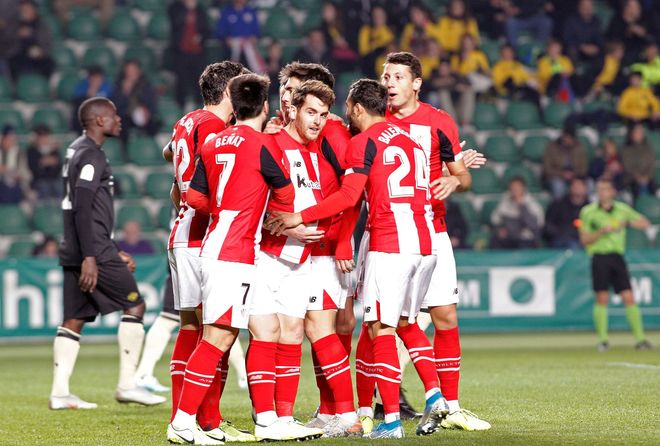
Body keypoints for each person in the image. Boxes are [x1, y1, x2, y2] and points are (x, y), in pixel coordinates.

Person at [267, 78, 443, 439]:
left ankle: (390, 420)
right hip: (426, 242)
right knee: (406, 324)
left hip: (388, 241)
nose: (340, 116)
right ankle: (435, 395)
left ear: (358, 108)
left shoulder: (361, 142)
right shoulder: (412, 139)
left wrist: (302, 219)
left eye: (343, 108)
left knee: (380, 329)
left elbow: (349, 197)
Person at [168, 73, 297, 444]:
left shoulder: (213, 142)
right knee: (217, 339)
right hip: (233, 253)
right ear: (266, 106)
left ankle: (268, 421)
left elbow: (191, 196)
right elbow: (286, 197)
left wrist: (225, 209)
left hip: (221, 245)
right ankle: (182, 423)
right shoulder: (264, 145)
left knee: (266, 328)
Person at [262, 62, 359, 437]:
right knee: (305, 329)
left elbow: (351, 194)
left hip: (321, 248)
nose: (288, 98)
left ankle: (341, 413)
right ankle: (328, 414)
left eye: (296, 92)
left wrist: (341, 239)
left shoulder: (332, 134)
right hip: (297, 246)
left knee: (312, 329)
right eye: (286, 91)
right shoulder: (285, 139)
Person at [50, 97, 165, 410]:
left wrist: (113, 248)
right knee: (136, 306)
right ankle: (128, 385)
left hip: (79, 247)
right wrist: (93, 255)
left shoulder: (76, 149)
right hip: (92, 250)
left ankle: (60, 393)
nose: (119, 120)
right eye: (114, 115)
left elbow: (83, 208)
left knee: (74, 318)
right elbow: (83, 207)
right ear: (99, 121)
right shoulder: (92, 156)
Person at [165, 61, 254, 443]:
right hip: (203, 235)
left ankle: (189, 419)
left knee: (191, 327)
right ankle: (205, 421)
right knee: (216, 331)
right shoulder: (217, 129)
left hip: (182, 230)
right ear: (227, 91)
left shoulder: (187, 121)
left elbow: (173, 162)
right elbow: (211, 185)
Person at [248, 79, 338, 440]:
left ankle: (283, 418)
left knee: (293, 334)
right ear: (293, 110)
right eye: (311, 112)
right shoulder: (270, 145)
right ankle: (265, 418)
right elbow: (253, 202)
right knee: (265, 334)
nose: (317, 120)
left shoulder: (316, 154)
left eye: (323, 114)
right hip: (266, 256)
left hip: (302, 258)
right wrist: (287, 229)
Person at [578, 177, 653, 351]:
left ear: (612, 192)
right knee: (602, 298)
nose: (602, 193)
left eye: (605, 189)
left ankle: (640, 339)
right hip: (599, 257)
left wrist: (626, 223)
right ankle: (603, 340)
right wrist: (601, 232)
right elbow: (584, 239)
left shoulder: (622, 210)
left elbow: (644, 223)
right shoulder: (588, 212)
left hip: (617, 257)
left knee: (629, 297)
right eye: (599, 189)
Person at [168, 0, 211, 108]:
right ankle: (180, 105)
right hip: (181, 51)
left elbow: (206, 30)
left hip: (197, 52)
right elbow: (175, 24)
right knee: (181, 80)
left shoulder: (201, 10)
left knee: (200, 79)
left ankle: (199, 104)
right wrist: (187, 10)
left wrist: (201, 37)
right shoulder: (176, 8)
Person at [111, 60, 159, 142]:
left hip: (143, 116)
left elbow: (152, 105)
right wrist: (125, 92)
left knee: (154, 125)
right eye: (128, 71)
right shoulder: (119, 86)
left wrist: (148, 111)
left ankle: (148, 148)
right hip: (126, 117)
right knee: (120, 126)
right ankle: (125, 151)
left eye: (133, 71)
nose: (131, 74)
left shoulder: (145, 85)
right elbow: (116, 107)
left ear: (139, 72)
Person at [490, 176, 544, 249]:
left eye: (517, 187)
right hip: (508, 237)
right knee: (494, 241)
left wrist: (522, 207)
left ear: (523, 188)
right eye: (512, 188)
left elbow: (534, 225)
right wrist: (500, 229)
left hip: (525, 238)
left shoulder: (532, 204)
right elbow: (495, 219)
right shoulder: (504, 203)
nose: (514, 190)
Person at [8, 0, 54, 79]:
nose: (25, 12)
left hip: (37, 56)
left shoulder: (41, 25)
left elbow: (46, 44)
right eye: (23, 10)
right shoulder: (14, 25)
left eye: (27, 9)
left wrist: (40, 51)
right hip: (18, 56)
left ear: (34, 10)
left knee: (48, 64)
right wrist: (17, 34)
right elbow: (7, 44)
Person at [216, 0, 265, 73]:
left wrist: (255, 37)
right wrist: (226, 39)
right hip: (231, 48)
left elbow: (257, 32)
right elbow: (219, 32)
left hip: (249, 47)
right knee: (231, 68)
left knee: (254, 66)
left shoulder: (251, 11)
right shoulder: (226, 12)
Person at [542, 124, 588, 199]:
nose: (567, 140)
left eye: (570, 138)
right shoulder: (552, 147)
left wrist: (573, 174)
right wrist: (562, 174)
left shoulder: (579, 148)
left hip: (575, 176)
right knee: (558, 186)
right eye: (566, 137)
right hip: (556, 176)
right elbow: (547, 169)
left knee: (589, 184)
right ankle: (559, 208)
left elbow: (584, 168)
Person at [543, 177, 589, 249]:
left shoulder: (590, 208)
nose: (578, 188)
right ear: (570, 188)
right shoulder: (558, 205)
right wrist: (561, 234)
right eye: (575, 186)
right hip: (560, 240)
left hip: (582, 241)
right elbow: (548, 225)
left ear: (586, 189)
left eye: (581, 186)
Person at [71, 66, 113, 133]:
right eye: (93, 78)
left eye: (98, 78)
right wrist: (88, 96)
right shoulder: (83, 86)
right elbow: (76, 102)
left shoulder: (107, 87)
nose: (96, 80)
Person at [27, 124, 62, 202]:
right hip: (38, 180)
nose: (43, 139)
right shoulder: (32, 151)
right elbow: (32, 169)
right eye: (41, 136)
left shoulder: (54, 151)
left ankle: (59, 212)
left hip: (53, 179)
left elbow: (59, 168)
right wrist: (41, 163)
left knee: (59, 186)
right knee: (44, 186)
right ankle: (43, 212)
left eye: (45, 136)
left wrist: (52, 164)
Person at [621, 123, 656, 199]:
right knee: (636, 188)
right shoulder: (626, 149)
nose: (639, 134)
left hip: (648, 178)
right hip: (631, 178)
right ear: (632, 134)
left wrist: (647, 176)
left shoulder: (648, 148)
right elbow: (628, 166)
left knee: (652, 187)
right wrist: (638, 177)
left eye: (641, 132)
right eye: (637, 132)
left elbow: (652, 164)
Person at [358, 6, 394, 78]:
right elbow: (363, 51)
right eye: (376, 16)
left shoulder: (389, 29)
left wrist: (382, 27)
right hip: (370, 64)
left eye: (381, 15)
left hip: (385, 63)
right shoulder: (366, 30)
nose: (378, 18)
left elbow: (389, 43)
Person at [0, 125, 30, 204]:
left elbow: (25, 173)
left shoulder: (19, 154)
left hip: (15, 185)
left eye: (12, 139)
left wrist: (20, 175)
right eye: (8, 139)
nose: (10, 142)